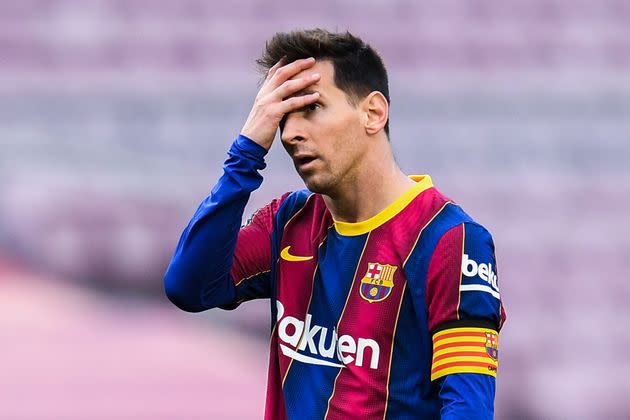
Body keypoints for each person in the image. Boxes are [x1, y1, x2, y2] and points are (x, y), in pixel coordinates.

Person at [164, 28, 506, 420]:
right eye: (282, 118)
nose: (290, 134)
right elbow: (188, 288)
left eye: (311, 109)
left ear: (373, 113)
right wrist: (246, 152)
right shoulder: (287, 222)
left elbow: (468, 408)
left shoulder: (450, 239)